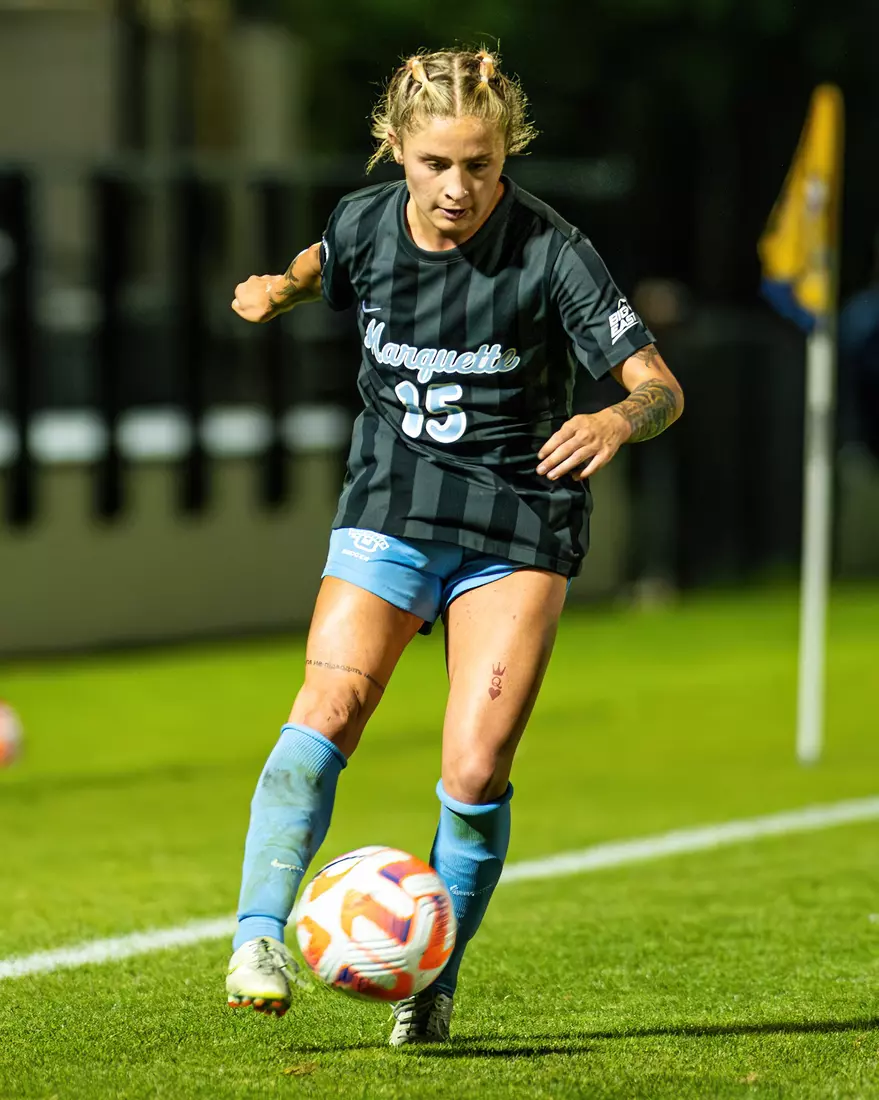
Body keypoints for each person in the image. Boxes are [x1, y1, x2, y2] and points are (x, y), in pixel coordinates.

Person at [225, 46, 684, 1046]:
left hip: (517, 523)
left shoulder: (554, 252)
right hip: (390, 505)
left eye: (480, 164)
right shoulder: (362, 223)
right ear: (396, 148)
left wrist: (617, 418)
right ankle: (257, 937)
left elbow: (659, 385)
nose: (457, 187)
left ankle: (429, 982)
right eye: (435, 162)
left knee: (475, 771)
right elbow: (320, 264)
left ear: (505, 155)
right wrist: (276, 291)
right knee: (327, 707)